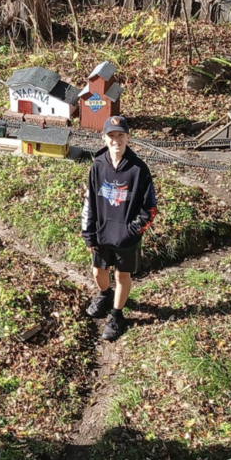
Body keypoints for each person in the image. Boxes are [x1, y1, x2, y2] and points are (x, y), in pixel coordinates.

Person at [81, 115, 158, 341]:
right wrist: (89, 234)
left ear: (128, 137)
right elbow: (89, 202)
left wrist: (130, 233)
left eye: (121, 135)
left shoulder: (139, 169)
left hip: (126, 238)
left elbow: (150, 209)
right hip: (102, 234)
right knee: (98, 272)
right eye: (112, 135)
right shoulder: (98, 165)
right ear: (104, 138)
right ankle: (105, 295)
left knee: (122, 275)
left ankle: (116, 315)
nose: (116, 140)